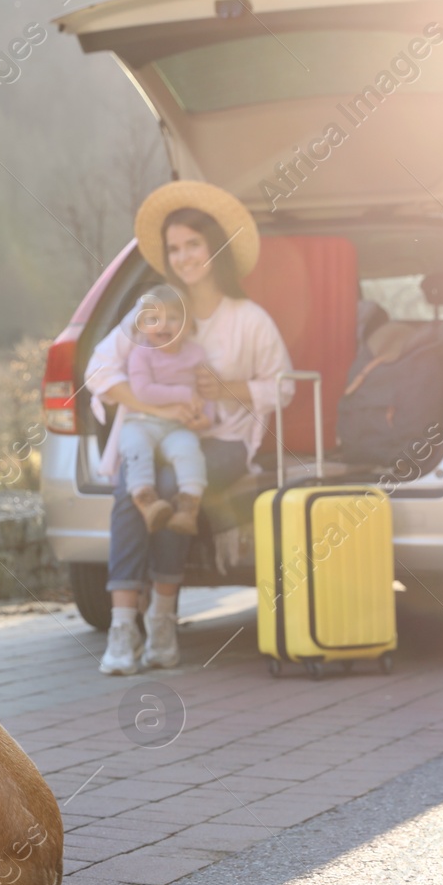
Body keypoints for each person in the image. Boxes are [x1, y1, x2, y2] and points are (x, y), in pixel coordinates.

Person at [84, 181, 293, 675]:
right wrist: (155, 409)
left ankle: (161, 620)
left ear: (215, 247)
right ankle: (121, 630)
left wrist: (230, 389)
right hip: (158, 435)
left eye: (192, 244)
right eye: (174, 248)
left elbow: (282, 386)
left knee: (173, 487)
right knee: (132, 490)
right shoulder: (156, 309)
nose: (183, 257)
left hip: (223, 442)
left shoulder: (250, 320)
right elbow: (98, 368)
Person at [120, 284, 214, 537]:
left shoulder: (196, 354)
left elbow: (206, 392)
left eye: (172, 318)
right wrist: (183, 394)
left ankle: (188, 508)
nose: (163, 325)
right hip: (141, 422)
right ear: (142, 324)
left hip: (178, 426)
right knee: (136, 450)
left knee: (189, 452)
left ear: (187, 324)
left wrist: (207, 417)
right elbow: (143, 390)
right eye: (154, 318)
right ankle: (146, 503)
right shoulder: (141, 354)